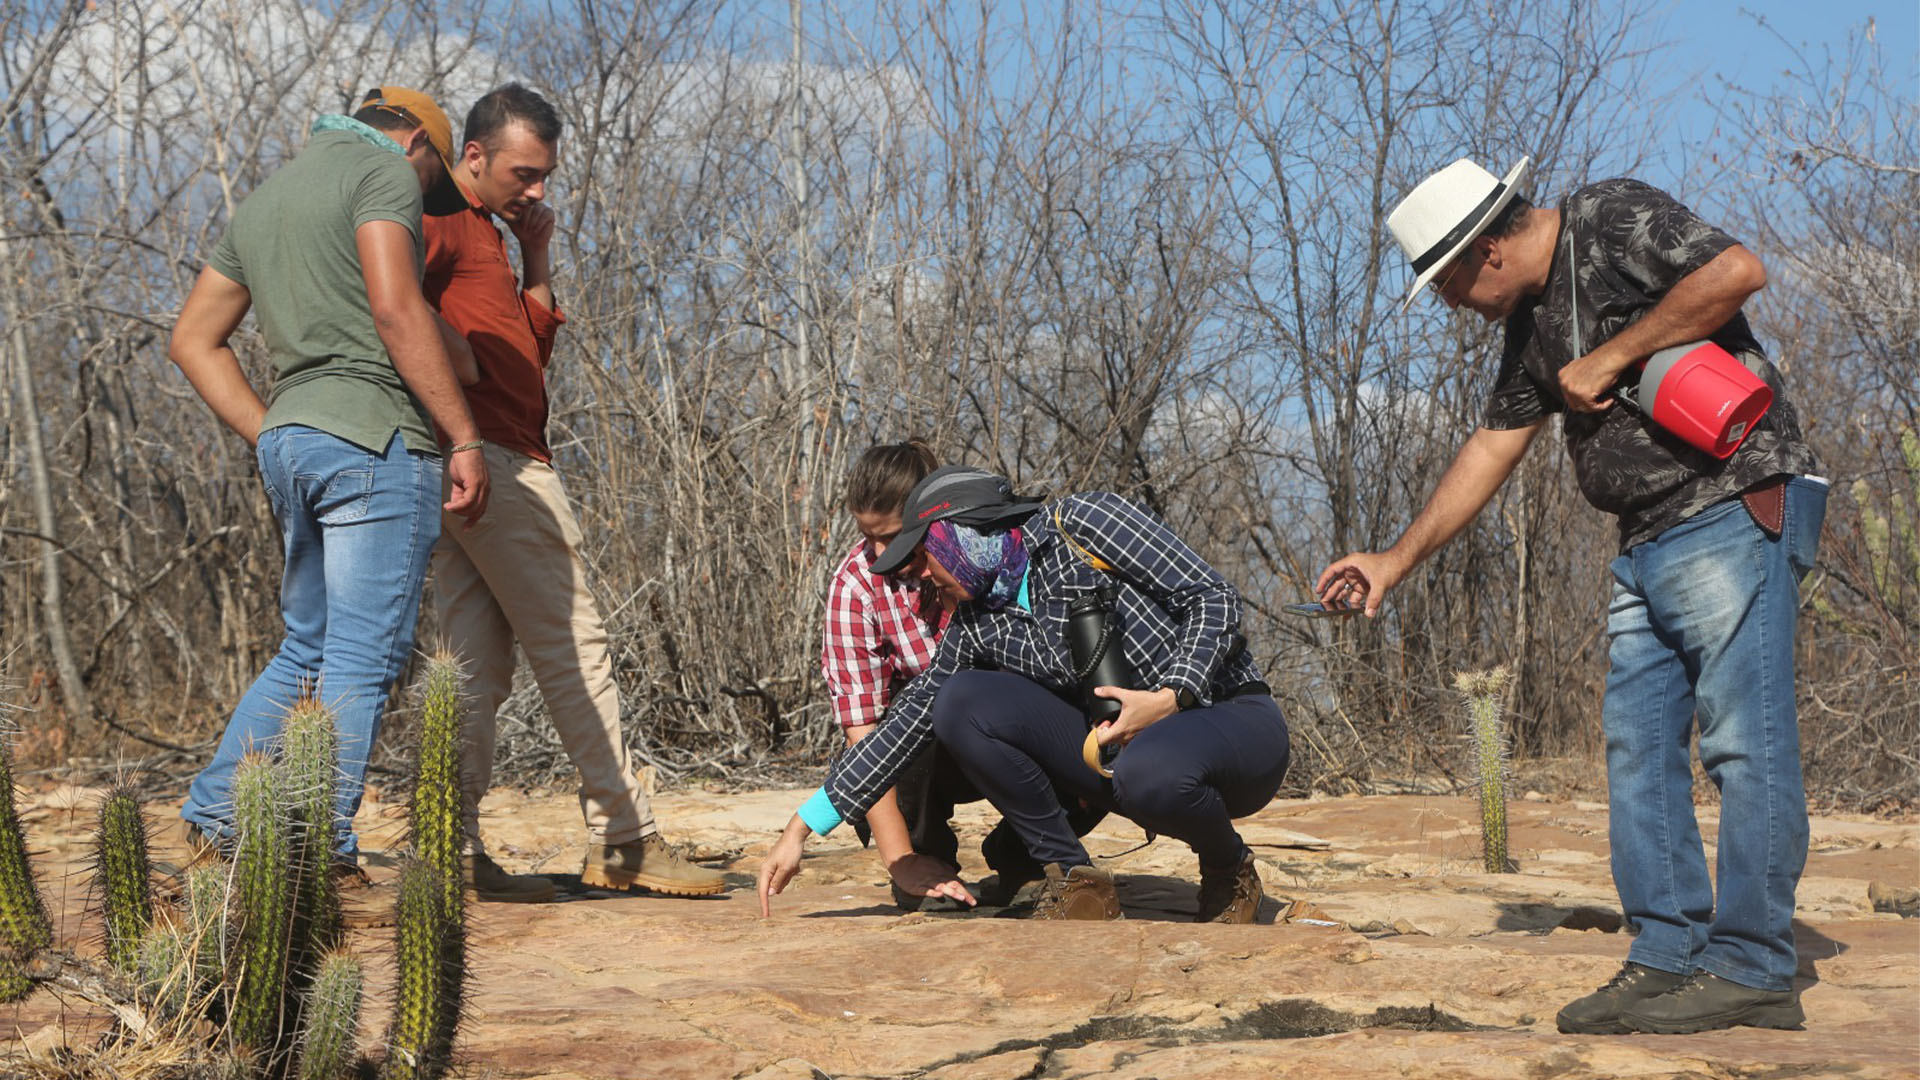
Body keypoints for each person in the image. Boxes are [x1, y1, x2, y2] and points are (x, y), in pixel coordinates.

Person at [1316, 156, 1825, 1034]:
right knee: (1636, 746)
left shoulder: (1607, 214)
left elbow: (1738, 271)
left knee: (1745, 743)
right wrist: (1395, 561)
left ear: (1486, 252)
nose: (1450, 305)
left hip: (1732, 507)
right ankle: (1667, 954)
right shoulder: (1531, 327)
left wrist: (1617, 354)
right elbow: (1492, 444)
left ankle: (1753, 966)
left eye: (1447, 285)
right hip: (1645, 537)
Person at [171, 87, 489, 875]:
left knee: (309, 646)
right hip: (377, 439)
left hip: (294, 441)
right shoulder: (383, 173)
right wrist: (463, 436)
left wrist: (279, 430)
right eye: (432, 182)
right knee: (362, 656)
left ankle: (216, 817)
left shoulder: (267, 198)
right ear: (415, 142)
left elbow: (192, 341)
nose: (425, 200)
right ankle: (318, 852)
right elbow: (395, 308)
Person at [422, 83, 725, 901]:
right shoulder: (438, 216)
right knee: (573, 642)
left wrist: (537, 257)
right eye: (523, 173)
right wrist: (459, 372)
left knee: (472, 667)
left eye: (545, 175)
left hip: (477, 456)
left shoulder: (490, 231)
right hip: (493, 457)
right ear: (473, 155)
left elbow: (530, 353)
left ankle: (449, 849)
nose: (537, 189)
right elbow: (383, 297)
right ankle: (625, 837)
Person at [763, 467, 1290, 922]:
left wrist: (1173, 694)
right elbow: (903, 727)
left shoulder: (1084, 523)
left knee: (1151, 768)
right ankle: (1074, 879)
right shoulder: (975, 623)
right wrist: (802, 828)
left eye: (923, 554)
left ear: (956, 537)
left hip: (1225, 715)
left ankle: (1229, 868)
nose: (918, 573)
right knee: (959, 699)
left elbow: (1213, 596)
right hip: (1119, 757)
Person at [823, 443, 1098, 910]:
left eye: (894, 537)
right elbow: (862, 731)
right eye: (868, 537)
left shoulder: (998, 555)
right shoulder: (855, 587)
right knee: (915, 712)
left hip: (1012, 729)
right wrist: (899, 859)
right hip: (924, 756)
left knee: (1088, 725)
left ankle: (1024, 858)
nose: (880, 554)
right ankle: (926, 861)